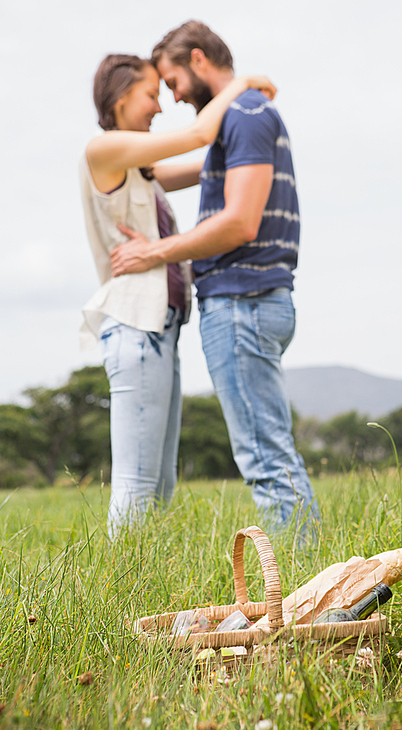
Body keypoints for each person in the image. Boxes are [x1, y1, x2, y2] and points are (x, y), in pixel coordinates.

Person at [110, 21, 320, 536]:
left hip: (242, 302)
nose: (173, 97)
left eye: (173, 81)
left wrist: (153, 252)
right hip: (253, 300)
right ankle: (311, 584)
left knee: (266, 460)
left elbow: (240, 222)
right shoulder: (240, 118)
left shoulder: (245, 114)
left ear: (198, 60)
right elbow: (161, 171)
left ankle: (308, 596)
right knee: (270, 452)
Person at [80, 52, 276, 536]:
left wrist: (250, 148)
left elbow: (204, 163)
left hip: (160, 331)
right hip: (135, 327)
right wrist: (242, 82)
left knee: (160, 483)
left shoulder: (139, 172)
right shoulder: (102, 150)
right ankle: (118, 596)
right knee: (136, 481)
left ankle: (138, 586)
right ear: (122, 96)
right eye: (151, 94)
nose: (160, 106)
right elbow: (197, 136)